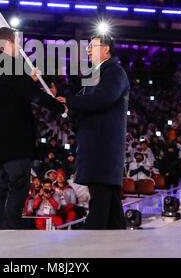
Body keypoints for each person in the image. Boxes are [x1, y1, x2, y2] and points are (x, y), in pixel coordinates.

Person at [0, 27, 67, 229]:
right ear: (9, 43)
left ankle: (2, 235)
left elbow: (11, 94)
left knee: (4, 189)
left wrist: (28, 81)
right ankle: (10, 235)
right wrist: (60, 106)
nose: (20, 48)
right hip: (15, 143)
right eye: (18, 44)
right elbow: (32, 95)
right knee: (17, 188)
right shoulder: (8, 65)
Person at [56, 33, 130, 229]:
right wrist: (61, 102)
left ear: (106, 49)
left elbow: (101, 99)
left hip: (103, 149)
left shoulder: (114, 73)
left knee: (100, 198)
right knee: (109, 201)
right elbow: (82, 103)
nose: (88, 50)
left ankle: (90, 245)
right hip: (97, 148)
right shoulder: (96, 75)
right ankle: (121, 244)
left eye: (93, 46)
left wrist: (69, 102)